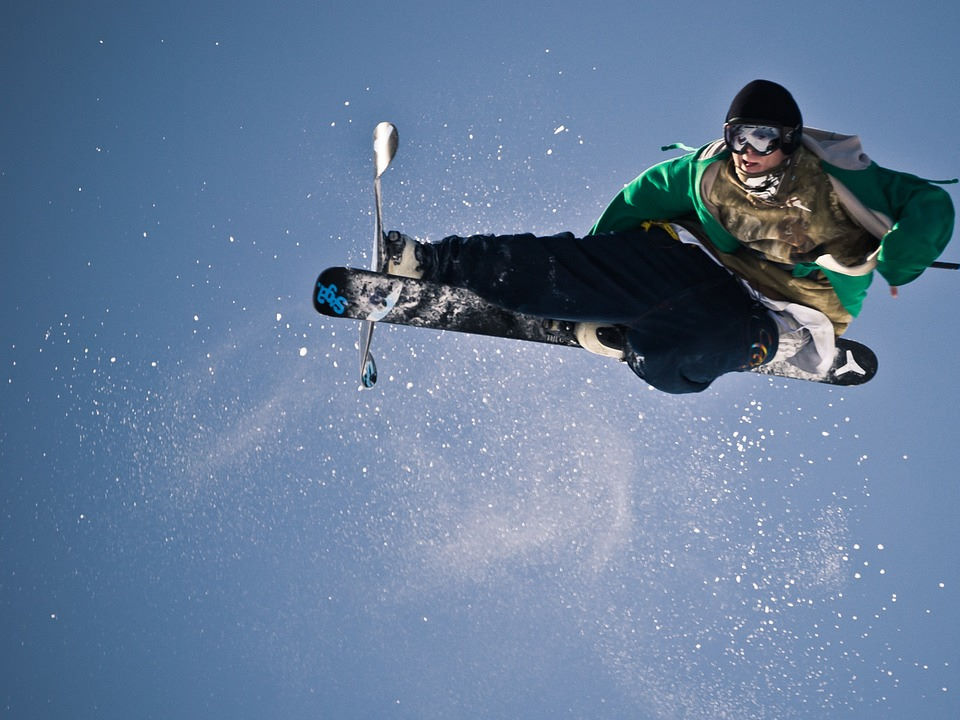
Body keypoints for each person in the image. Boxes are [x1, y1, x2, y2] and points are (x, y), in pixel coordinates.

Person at [383, 80, 955, 393]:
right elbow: (634, 205)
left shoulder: (838, 181)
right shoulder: (705, 176)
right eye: (738, 137)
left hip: (788, 311)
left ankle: (644, 342)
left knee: (687, 351)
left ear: (790, 140)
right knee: (593, 263)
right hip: (704, 273)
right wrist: (596, 276)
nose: (748, 154)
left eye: (762, 139)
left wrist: (904, 255)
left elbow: (928, 204)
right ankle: (433, 261)